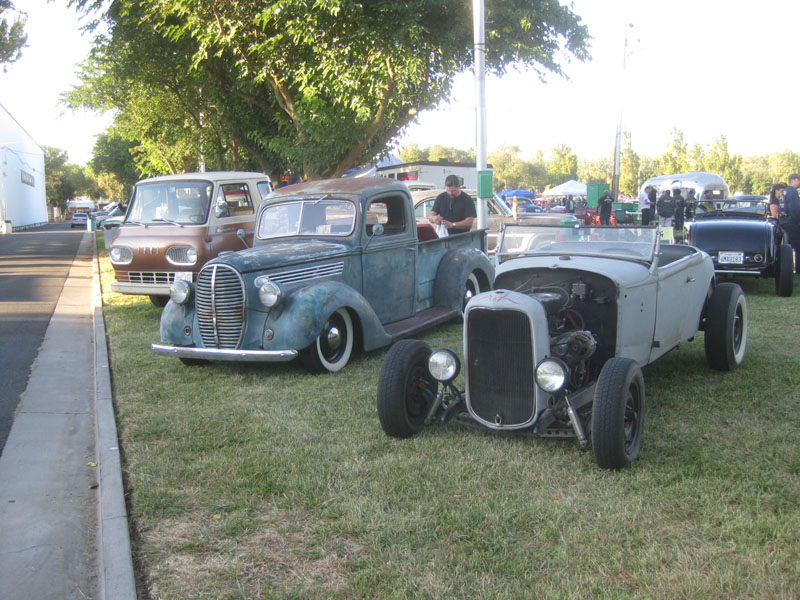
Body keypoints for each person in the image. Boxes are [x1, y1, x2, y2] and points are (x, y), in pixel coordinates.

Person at [779, 174, 800, 274]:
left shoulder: (785, 191)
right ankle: (798, 270)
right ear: (794, 180)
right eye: (799, 180)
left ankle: (787, 269)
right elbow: (795, 210)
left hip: (784, 222)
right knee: (798, 247)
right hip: (792, 223)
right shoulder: (792, 191)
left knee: (787, 248)